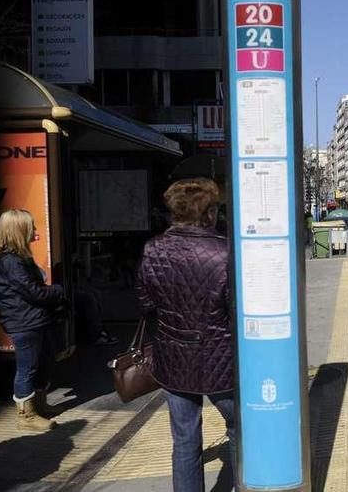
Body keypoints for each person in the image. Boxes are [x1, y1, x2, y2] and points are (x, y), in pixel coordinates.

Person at [136, 178, 236, 492]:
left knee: (184, 439)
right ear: (209, 213)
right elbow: (235, 307)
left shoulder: (152, 249)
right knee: (241, 428)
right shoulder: (224, 251)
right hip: (221, 356)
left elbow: (144, 301)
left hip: (173, 357)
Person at [0, 209, 66, 431]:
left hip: (34, 319)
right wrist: (57, 291)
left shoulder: (18, 258)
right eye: (31, 226)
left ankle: (39, 404)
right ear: (19, 230)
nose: (35, 230)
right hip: (24, 322)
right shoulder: (11, 261)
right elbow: (34, 292)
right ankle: (26, 416)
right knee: (27, 368)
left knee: (44, 360)